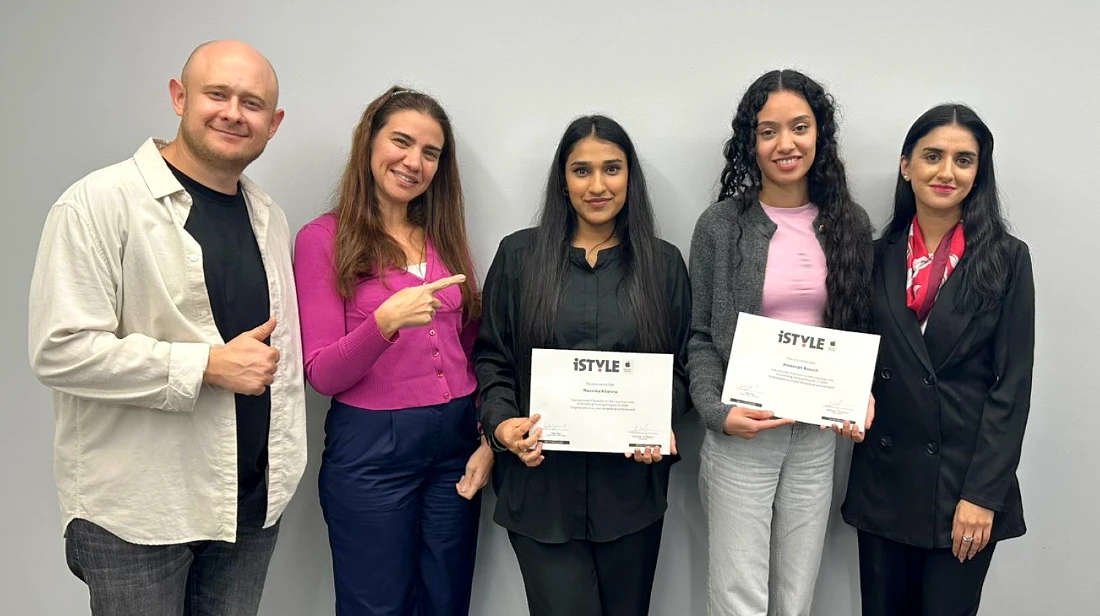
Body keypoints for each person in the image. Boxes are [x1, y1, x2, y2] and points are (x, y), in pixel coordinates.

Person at [27, 40, 305, 615]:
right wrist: (203, 365)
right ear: (179, 97)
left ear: (273, 124)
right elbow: (60, 350)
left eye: (252, 103)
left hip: (248, 506)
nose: (234, 112)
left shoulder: (269, 217)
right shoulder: (98, 203)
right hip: (139, 513)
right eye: (217, 94)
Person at [474, 114, 692, 616]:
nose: (598, 185)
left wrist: (657, 420)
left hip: (631, 495)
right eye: (582, 171)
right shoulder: (518, 257)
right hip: (540, 489)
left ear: (630, 179)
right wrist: (502, 425)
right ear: (562, 181)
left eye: (612, 169)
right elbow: (492, 358)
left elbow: (681, 365)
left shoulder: (663, 265)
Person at [294, 85, 491, 616]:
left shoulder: (444, 237)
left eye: (430, 153)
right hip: (371, 452)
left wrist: (484, 433)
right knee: (375, 605)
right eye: (401, 142)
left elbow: (469, 347)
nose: (414, 162)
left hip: (454, 442)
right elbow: (322, 374)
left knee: (447, 601)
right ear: (369, 143)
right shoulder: (323, 239)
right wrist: (382, 323)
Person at [686, 68, 875, 616]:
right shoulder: (720, 225)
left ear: (821, 135)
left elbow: (856, 330)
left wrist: (858, 394)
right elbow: (699, 335)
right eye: (768, 131)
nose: (785, 144)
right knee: (739, 595)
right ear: (750, 141)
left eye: (799, 127)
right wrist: (718, 413)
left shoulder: (849, 225)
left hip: (817, 436)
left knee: (796, 595)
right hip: (743, 433)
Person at [842, 103, 1035, 616]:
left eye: (963, 160)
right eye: (933, 156)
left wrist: (982, 496)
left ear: (979, 173)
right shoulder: (874, 254)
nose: (946, 172)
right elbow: (852, 349)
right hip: (885, 481)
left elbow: (1011, 387)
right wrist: (846, 394)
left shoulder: (1007, 258)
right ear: (906, 165)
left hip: (963, 489)